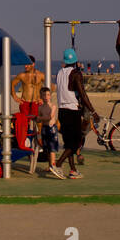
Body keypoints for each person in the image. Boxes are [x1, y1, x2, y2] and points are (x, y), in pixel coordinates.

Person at [54, 49, 96, 179]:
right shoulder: (76, 74)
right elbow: (82, 94)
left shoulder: (60, 73)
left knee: (68, 143)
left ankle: (72, 170)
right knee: (76, 142)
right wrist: (93, 111)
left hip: (62, 111)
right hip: (72, 111)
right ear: (76, 61)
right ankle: (58, 164)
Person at [35, 87, 64, 179]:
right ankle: (50, 165)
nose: (46, 97)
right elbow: (38, 119)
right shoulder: (41, 107)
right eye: (44, 95)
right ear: (41, 96)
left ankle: (54, 165)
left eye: (48, 95)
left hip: (52, 128)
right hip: (44, 128)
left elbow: (49, 117)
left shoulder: (53, 106)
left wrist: (40, 118)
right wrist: (39, 118)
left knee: (52, 148)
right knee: (46, 148)